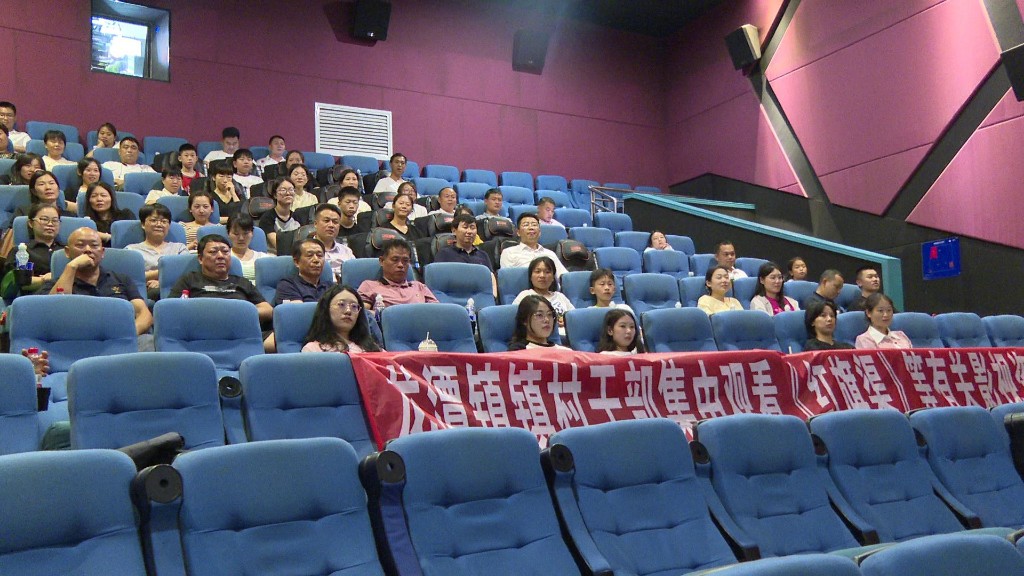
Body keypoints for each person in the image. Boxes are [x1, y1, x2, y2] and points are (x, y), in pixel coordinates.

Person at [41, 227, 152, 337]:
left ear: (102, 252)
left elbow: (143, 314)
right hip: (78, 339)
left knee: (147, 340)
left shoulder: (122, 279)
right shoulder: (54, 285)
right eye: (80, 245)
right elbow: (54, 313)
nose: (88, 250)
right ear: (67, 252)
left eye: (94, 245)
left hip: (121, 338)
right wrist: (71, 267)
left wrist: (128, 334)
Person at [168, 234, 272, 323]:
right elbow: (169, 309)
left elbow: (268, 310)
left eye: (225, 251)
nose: (220, 256)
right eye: (213, 252)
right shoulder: (190, 279)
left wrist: (239, 313)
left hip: (239, 331)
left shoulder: (242, 282)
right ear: (200, 259)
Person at [126, 203, 189, 297]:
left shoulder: (180, 248)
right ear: (143, 224)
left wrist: (161, 282)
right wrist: (168, 273)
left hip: (177, 291)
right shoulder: (131, 250)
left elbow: (186, 273)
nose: (159, 224)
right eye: (153, 220)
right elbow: (131, 278)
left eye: (164, 221)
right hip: (144, 293)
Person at [357, 238, 438, 307]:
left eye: (405, 261)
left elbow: (437, 313)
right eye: (395, 260)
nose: (400, 265)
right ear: (382, 261)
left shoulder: (419, 287)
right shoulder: (369, 286)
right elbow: (363, 315)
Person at [302, 284, 383, 353]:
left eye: (354, 306)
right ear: (326, 309)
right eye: (341, 304)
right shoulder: (313, 349)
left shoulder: (372, 348)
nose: (348, 311)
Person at [433, 214, 497, 296]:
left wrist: (492, 297)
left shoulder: (483, 255)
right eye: (465, 227)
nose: (469, 231)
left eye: (472, 228)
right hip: (453, 297)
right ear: (454, 230)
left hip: (479, 298)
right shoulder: (444, 254)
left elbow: (491, 279)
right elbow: (437, 282)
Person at [3, 204, 63, 291]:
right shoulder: (21, 251)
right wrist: (45, 280)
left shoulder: (66, 251)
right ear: (31, 223)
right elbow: (17, 282)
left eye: (55, 220)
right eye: (44, 219)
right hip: (35, 296)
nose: (50, 224)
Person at [499, 213, 569, 276]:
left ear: (540, 232)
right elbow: (507, 280)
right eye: (526, 225)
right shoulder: (509, 252)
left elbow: (564, 277)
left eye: (534, 225)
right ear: (518, 232)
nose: (531, 228)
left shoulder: (550, 254)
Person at [512, 256, 574, 327]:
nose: (542, 276)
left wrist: (567, 322)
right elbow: (515, 321)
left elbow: (575, 318)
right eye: (537, 271)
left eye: (547, 272)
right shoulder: (525, 296)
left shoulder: (560, 296)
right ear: (530, 277)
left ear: (553, 277)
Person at [274, 238, 331, 305]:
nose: (316, 260)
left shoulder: (331, 287)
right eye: (310, 255)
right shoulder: (287, 285)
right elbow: (299, 310)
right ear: (297, 262)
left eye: (319, 255)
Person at [258, 177, 309, 251]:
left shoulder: (298, 217)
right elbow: (279, 246)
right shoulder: (267, 218)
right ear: (275, 195)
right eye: (283, 190)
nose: (288, 193)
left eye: (291, 189)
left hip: (297, 253)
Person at [310, 203, 355, 279]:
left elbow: (355, 275)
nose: (331, 225)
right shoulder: (305, 251)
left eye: (335, 222)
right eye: (326, 221)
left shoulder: (347, 251)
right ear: (315, 224)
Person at [82, 182, 133, 246]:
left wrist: (106, 237)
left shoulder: (126, 215)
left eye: (103, 195)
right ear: (89, 200)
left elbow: (132, 239)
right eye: (94, 196)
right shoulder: (87, 222)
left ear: (111, 198)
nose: (99, 199)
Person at [226, 212, 269, 282]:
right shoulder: (224, 258)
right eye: (236, 234)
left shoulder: (264, 258)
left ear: (252, 233)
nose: (241, 238)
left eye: (245, 233)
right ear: (228, 234)